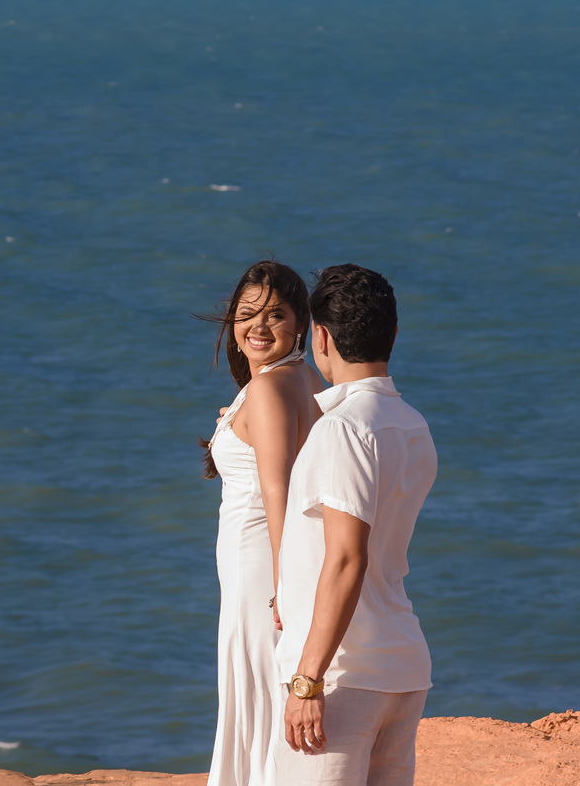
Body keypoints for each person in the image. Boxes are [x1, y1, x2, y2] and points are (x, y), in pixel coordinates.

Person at [274, 264, 436, 786]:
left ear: (319, 337)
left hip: (345, 676)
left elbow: (346, 557)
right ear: (391, 333)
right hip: (401, 669)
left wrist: (307, 682)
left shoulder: (342, 429)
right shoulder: (411, 423)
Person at [201, 261, 323, 786]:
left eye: (276, 315)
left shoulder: (272, 389)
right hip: (261, 566)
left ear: (301, 324)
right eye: (247, 314)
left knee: (255, 693)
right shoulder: (299, 379)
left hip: (259, 572)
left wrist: (281, 585)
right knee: (260, 692)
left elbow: (279, 490)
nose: (258, 326)